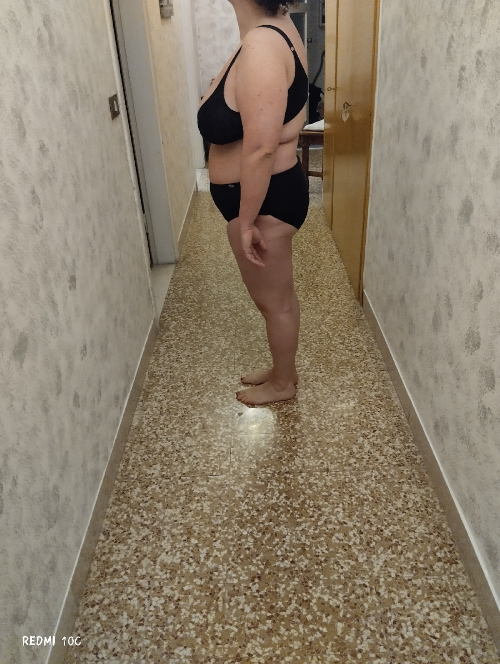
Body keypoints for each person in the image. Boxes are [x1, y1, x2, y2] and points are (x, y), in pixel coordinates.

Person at [197, 0, 309, 406]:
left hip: (265, 203)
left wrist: (246, 222)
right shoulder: (272, 28)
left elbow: (261, 149)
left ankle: (282, 385)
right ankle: (284, 369)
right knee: (278, 298)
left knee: (274, 302)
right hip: (267, 195)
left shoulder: (262, 44)